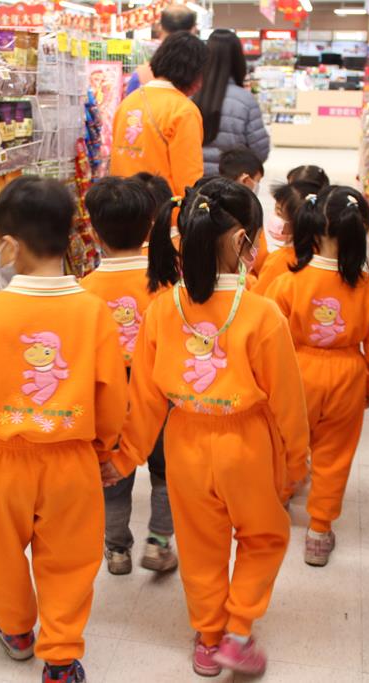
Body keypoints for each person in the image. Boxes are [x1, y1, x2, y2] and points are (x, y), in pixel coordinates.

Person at [103, 178, 309, 677]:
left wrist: (125, 458)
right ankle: (238, 633)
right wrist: (296, 460)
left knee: (200, 546)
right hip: (248, 444)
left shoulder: (161, 310)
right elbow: (288, 400)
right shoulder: (262, 313)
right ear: (242, 242)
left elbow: (144, 401)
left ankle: (207, 637)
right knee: (264, 536)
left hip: (184, 443)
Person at [0, 177, 128, 683]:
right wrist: (104, 450)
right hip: (72, 459)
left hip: (1, 461)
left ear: (10, 246)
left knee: (1, 552)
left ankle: (17, 630)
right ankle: (60, 658)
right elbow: (112, 392)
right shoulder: (93, 311)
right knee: (70, 558)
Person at [265, 185, 369, 568]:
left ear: (310, 228)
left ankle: (279, 499)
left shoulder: (287, 281)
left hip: (294, 374)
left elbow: (266, 339)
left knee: (286, 444)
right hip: (347, 376)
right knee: (334, 456)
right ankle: (319, 532)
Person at [80, 176, 178, 576]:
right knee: (166, 470)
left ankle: (117, 548)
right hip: (159, 391)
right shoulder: (168, 283)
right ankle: (159, 542)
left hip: (109, 396)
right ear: (151, 226)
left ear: (95, 233)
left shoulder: (84, 290)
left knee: (113, 474)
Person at [110, 32, 208, 198]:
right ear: (192, 72)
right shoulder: (183, 111)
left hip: (123, 204)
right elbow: (189, 178)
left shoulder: (127, 103)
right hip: (162, 208)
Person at [193, 30, 270, 176]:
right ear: (238, 59)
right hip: (231, 181)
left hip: (194, 179)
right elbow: (260, 151)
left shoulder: (191, 95)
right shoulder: (245, 100)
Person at [252, 181, 316, 294]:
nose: (274, 216)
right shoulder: (319, 254)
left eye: (279, 212)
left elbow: (258, 297)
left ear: (297, 221)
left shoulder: (278, 260)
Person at [124, 4, 198, 96]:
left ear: (160, 28)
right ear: (193, 30)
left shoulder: (141, 74)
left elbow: (130, 102)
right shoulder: (201, 73)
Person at [216, 147, 268, 273]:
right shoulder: (250, 212)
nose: (258, 186)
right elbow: (260, 259)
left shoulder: (210, 204)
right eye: (257, 181)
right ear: (245, 180)